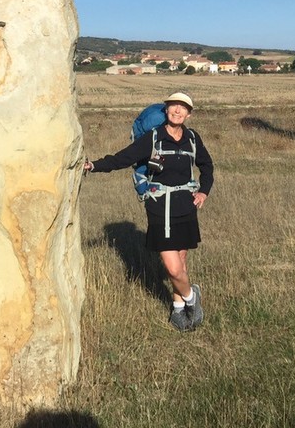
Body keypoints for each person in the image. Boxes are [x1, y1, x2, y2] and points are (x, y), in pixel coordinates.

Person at [84, 92, 214, 332]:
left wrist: (204, 192)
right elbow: (123, 158)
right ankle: (192, 297)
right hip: (159, 207)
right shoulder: (153, 138)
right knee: (173, 268)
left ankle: (177, 308)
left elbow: (206, 166)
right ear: (166, 110)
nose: (177, 111)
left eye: (183, 108)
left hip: (186, 206)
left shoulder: (193, 138)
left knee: (181, 261)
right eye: (173, 106)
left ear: (189, 114)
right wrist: (94, 165)